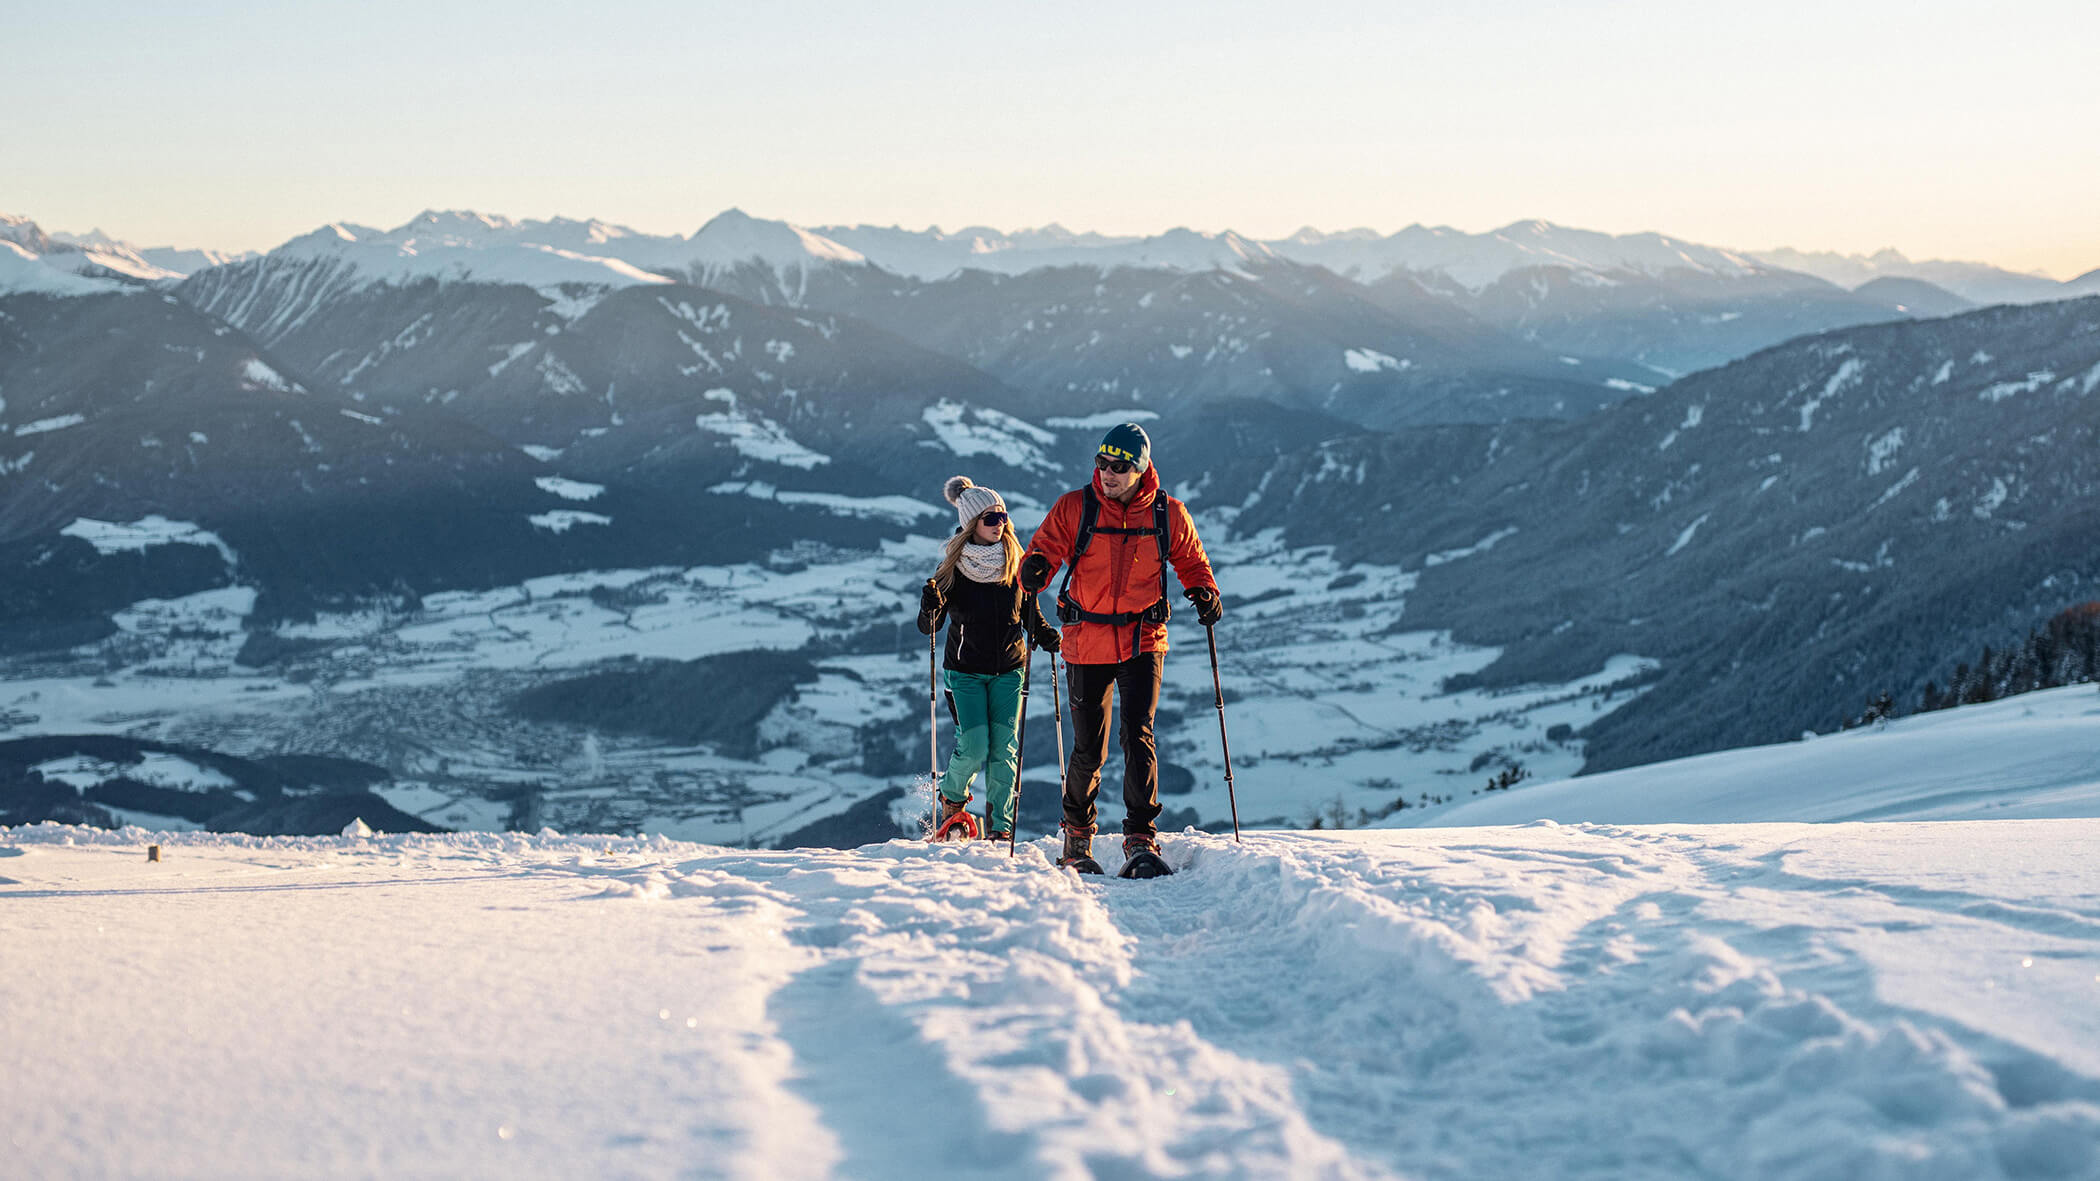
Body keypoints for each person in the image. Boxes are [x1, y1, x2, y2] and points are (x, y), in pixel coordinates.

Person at [1020, 424, 1220, 871]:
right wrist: (1035, 568)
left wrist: (1204, 590)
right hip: (1086, 641)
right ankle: (1076, 838)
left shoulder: (1168, 514)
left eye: (1119, 466)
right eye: (1101, 463)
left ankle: (1140, 837)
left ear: (1141, 467)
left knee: (1138, 735)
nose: (1107, 473)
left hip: (1142, 640)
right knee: (1089, 747)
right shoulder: (1077, 507)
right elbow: (1045, 548)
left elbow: (1190, 558)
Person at [917, 476, 1061, 842]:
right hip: (964, 672)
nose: (1001, 524)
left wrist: (1042, 633)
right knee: (976, 744)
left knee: (1005, 749)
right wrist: (929, 606)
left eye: (1003, 517)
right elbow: (929, 627)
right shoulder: (952, 570)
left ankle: (1001, 827)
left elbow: (1028, 610)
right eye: (991, 518)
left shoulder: (1016, 564)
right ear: (971, 524)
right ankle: (952, 800)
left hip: (1009, 671)